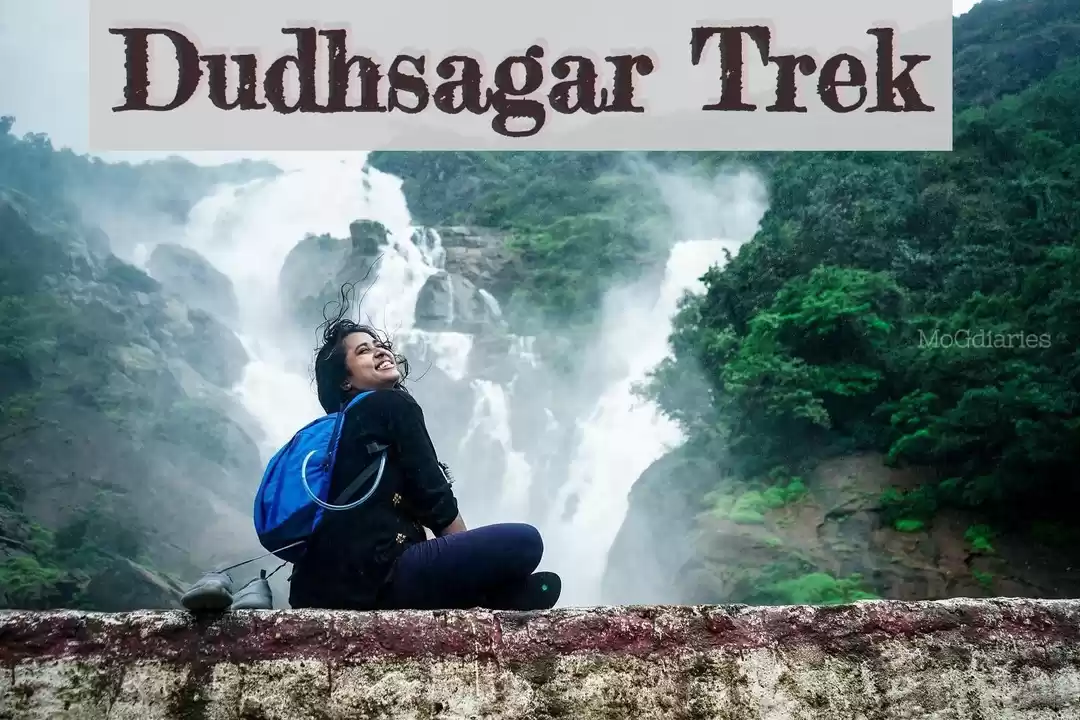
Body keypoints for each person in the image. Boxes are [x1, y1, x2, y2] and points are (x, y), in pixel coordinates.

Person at [287, 297, 562, 612]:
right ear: (345, 381)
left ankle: (503, 597)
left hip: (316, 588)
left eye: (379, 345)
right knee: (526, 542)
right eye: (363, 351)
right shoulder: (391, 404)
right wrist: (475, 569)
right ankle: (493, 597)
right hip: (375, 580)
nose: (380, 351)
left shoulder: (342, 432)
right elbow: (435, 501)